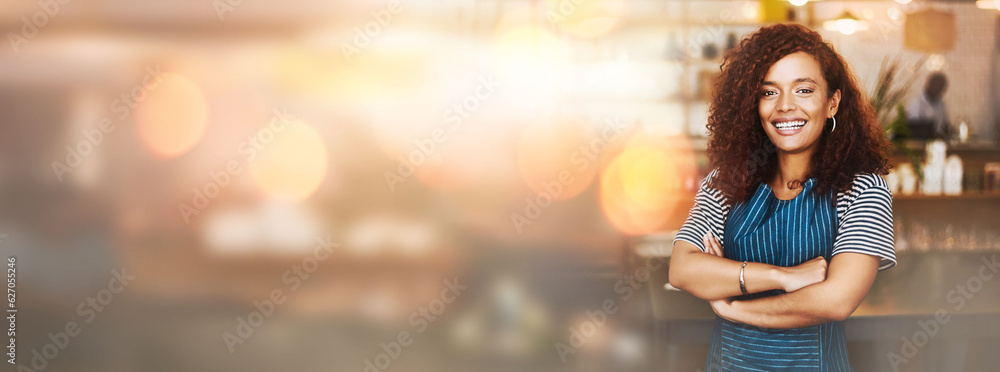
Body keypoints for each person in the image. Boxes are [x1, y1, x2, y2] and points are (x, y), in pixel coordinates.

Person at [667, 23, 895, 371]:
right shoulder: (726, 182)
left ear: (832, 102)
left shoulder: (862, 189)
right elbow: (682, 269)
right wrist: (782, 277)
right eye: (768, 92)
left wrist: (733, 304)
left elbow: (836, 300)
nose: (785, 107)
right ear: (752, 105)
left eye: (804, 90)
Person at [907, 72, 950, 138]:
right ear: (929, 84)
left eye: (941, 88)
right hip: (920, 143)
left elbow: (945, 125)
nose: (939, 90)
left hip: (938, 143)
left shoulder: (941, 104)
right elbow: (914, 127)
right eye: (937, 86)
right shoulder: (916, 102)